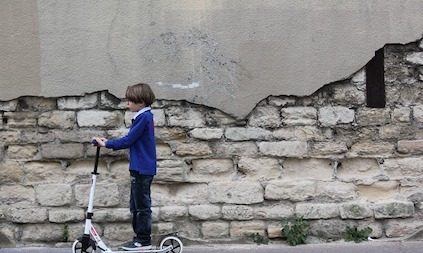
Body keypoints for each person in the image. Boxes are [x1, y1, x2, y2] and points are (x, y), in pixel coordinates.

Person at [93, 83, 156, 251]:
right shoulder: (143, 116)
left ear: (141, 102)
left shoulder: (144, 117)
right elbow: (131, 139)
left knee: (141, 206)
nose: (127, 103)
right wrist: (108, 142)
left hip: (142, 168)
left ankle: (143, 241)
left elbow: (129, 140)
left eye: (130, 100)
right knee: (135, 205)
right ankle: (139, 239)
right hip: (139, 167)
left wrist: (107, 144)